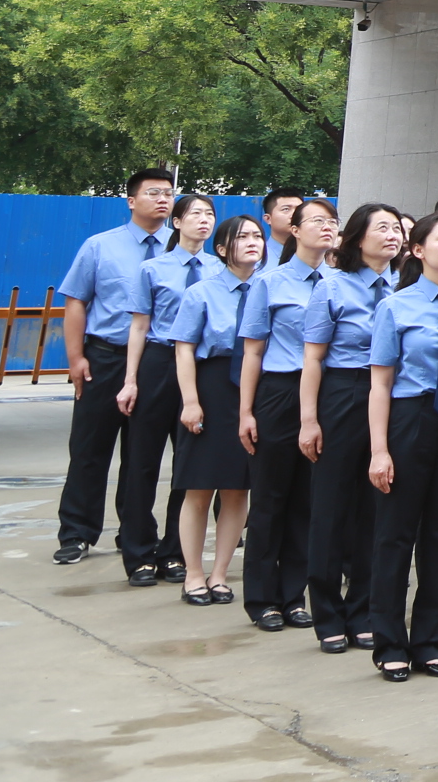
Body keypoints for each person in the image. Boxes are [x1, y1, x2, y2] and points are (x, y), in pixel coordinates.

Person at [365, 212, 438, 681]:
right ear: (417, 250)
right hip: (411, 418)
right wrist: (379, 449)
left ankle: (432, 642)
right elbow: (379, 384)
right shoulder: (396, 306)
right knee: (395, 534)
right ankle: (390, 643)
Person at [52, 166, 177, 574]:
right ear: (131, 200)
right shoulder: (100, 246)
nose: (162, 199)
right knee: (90, 447)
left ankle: (136, 532)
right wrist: (76, 359)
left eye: (168, 193)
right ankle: (76, 531)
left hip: (159, 361)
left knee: (143, 453)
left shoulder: (182, 253)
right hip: (106, 357)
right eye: (153, 192)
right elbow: (75, 302)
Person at [301, 202, 406, 653]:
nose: (391, 235)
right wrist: (309, 419)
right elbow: (312, 358)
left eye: (396, 228)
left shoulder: (407, 288)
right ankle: (327, 613)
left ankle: (364, 610)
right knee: (331, 506)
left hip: (395, 396)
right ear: (357, 238)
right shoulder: (332, 287)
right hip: (345, 393)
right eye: (380, 228)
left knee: (376, 508)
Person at [239, 195, 340, 631]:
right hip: (280, 393)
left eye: (332, 220)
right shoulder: (270, 282)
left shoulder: (340, 282)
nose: (326, 227)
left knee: (309, 500)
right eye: (316, 220)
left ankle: (293, 595)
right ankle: (262, 598)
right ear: (294, 230)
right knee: (270, 498)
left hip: (326, 395)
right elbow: (253, 350)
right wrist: (245, 410)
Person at [119, 191, 218, 585]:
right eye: (195, 214)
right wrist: (130, 379)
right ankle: (138, 553)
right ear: (177, 222)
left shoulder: (220, 269)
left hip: (200, 368)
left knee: (189, 463)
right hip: (159, 362)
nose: (204, 220)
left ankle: (174, 552)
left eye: (209, 214)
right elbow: (140, 326)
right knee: (142, 461)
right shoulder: (153, 269)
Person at [168, 213, 264, 606]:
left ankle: (221, 574)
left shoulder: (268, 289)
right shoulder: (201, 292)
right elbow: (184, 348)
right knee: (199, 487)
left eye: (258, 236)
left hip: (253, 389)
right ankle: (193, 573)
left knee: (238, 488)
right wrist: (190, 401)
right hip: (212, 387)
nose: (253, 242)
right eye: (243, 238)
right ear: (223, 249)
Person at [263, 189, 306, 268]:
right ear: (268, 218)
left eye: (298, 209)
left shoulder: (316, 256)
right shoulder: (256, 258)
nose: (294, 215)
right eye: (286, 209)